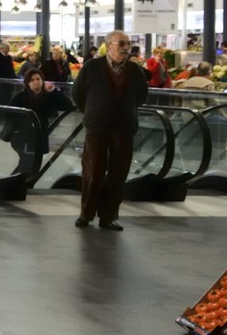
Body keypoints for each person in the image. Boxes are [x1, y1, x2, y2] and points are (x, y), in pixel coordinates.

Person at [72, 30, 148, 230]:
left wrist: (124, 109)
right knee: (93, 171)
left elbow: (141, 96)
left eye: (128, 44)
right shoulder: (91, 67)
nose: (126, 48)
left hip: (124, 127)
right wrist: (94, 111)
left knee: (118, 173)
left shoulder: (135, 70)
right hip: (97, 125)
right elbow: (78, 93)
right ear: (108, 46)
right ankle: (86, 214)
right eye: (121, 44)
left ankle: (108, 216)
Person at [8, 70, 71, 174]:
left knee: (36, 163)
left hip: (41, 135)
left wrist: (54, 91)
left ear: (43, 80)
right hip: (25, 137)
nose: (36, 82)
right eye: (32, 80)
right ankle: (21, 180)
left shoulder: (49, 96)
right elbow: (9, 113)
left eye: (38, 79)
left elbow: (68, 106)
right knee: (27, 164)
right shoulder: (21, 97)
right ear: (28, 83)